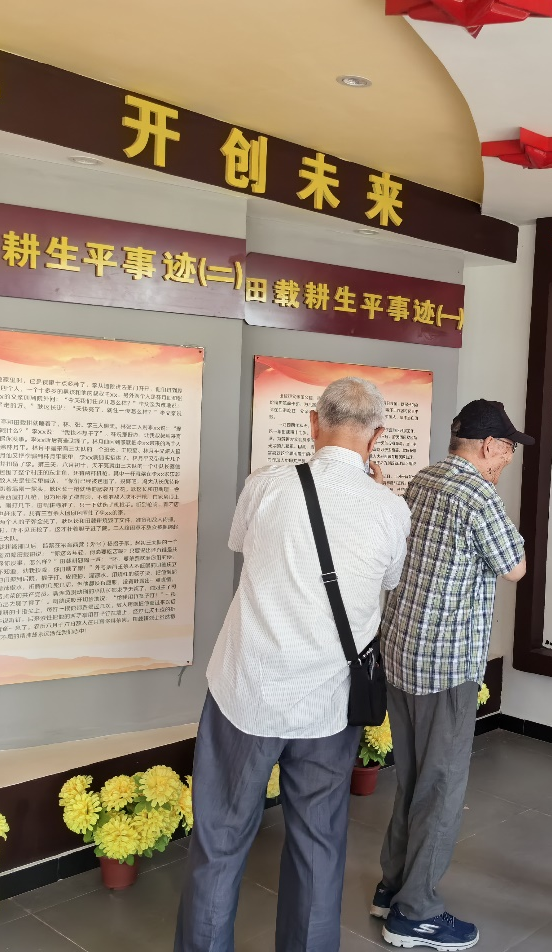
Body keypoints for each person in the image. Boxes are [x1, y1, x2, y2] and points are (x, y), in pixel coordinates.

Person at [175, 378, 410, 952]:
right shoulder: (391, 509)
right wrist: (376, 495)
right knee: (318, 844)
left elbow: (241, 543)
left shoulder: (266, 485)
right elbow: (388, 580)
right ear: (377, 436)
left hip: (248, 691)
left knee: (220, 841)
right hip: (329, 703)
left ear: (313, 422)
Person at [372, 399, 530, 951]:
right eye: (508, 450)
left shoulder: (422, 479)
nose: (508, 459)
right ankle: (415, 912)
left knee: (413, 779)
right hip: (445, 666)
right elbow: (515, 566)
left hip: (402, 654)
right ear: (489, 446)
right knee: (440, 789)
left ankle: (392, 886)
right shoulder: (477, 493)